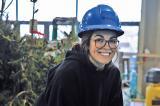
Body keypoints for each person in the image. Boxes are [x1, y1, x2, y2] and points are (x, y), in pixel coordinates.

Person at [36, 4, 124, 106]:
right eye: (99, 40)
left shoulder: (113, 74)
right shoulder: (68, 74)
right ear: (86, 42)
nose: (107, 46)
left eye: (112, 41)